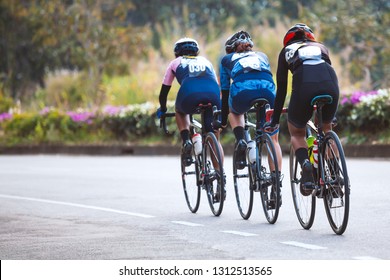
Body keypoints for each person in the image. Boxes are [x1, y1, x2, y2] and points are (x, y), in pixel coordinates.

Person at [264, 23, 340, 194]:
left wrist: (275, 120)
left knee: (297, 132)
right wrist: (331, 115)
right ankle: (336, 175)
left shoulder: (286, 51)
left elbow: (282, 89)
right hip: (331, 85)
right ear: (310, 37)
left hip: (304, 86)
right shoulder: (321, 47)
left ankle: (305, 165)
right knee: (326, 128)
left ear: (288, 40)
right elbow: (326, 72)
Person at [219, 30, 282, 178]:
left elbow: (225, 90)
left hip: (243, 91)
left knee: (234, 111)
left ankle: (241, 139)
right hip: (268, 92)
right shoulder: (262, 55)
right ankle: (276, 180)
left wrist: (222, 120)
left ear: (231, 49)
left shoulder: (226, 59)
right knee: (274, 139)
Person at [156, 37, 222, 166]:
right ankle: (220, 175)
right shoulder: (206, 61)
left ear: (177, 52)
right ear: (196, 51)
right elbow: (215, 83)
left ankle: (186, 140)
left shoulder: (175, 62)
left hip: (189, 94)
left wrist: (163, 109)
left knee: (180, 111)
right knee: (213, 135)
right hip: (213, 95)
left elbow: (163, 93)